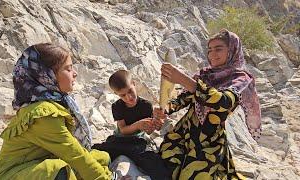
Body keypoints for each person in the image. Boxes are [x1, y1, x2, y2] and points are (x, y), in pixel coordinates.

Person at [0, 43, 118, 180]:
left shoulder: (53, 103)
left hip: (35, 165)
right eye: (68, 69)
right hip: (11, 175)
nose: (75, 73)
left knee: (102, 157)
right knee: (57, 170)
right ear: (47, 75)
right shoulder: (42, 114)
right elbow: (75, 155)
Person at [154, 29, 261, 180]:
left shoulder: (240, 78)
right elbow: (183, 99)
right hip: (182, 134)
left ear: (232, 50)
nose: (212, 54)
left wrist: (183, 79)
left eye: (218, 49)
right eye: (210, 50)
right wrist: (165, 109)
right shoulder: (204, 75)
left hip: (208, 142)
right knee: (164, 170)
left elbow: (223, 102)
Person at [92, 70, 170, 180]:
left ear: (134, 83)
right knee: (96, 151)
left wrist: (155, 124)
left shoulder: (146, 105)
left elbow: (148, 132)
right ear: (117, 95)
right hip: (120, 140)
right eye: (123, 95)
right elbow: (123, 130)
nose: (129, 97)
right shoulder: (117, 106)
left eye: (130, 91)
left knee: (157, 165)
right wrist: (138, 125)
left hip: (137, 142)